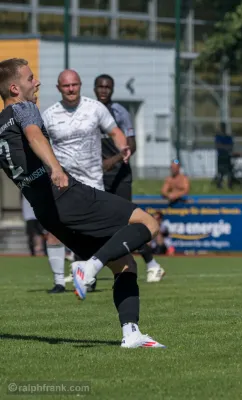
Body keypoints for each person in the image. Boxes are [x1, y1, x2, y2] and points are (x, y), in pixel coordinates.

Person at [0, 58, 165, 348]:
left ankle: (131, 333)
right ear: (14, 88)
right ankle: (88, 267)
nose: (36, 82)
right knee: (148, 223)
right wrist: (56, 167)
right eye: (30, 79)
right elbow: (34, 133)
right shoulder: (23, 108)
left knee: (125, 264)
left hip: (47, 212)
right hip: (67, 195)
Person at [41, 69, 129, 294]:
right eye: (66, 86)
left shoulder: (95, 108)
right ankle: (59, 282)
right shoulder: (49, 115)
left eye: (74, 85)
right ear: (59, 88)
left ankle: (92, 273)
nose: (71, 89)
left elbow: (115, 131)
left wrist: (123, 146)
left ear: (80, 85)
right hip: (64, 183)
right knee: (54, 228)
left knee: (99, 232)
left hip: (92, 181)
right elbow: (38, 143)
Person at [94, 74, 166, 283]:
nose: (104, 90)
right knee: (95, 221)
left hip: (120, 175)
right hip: (97, 176)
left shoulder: (120, 112)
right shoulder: (89, 111)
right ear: (95, 88)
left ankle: (152, 264)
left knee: (126, 222)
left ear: (113, 89)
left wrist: (112, 161)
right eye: (100, 86)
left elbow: (131, 145)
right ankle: (86, 268)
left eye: (108, 87)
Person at [214, 124, 235, 189]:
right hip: (221, 156)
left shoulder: (228, 137)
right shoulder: (218, 137)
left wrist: (223, 147)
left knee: (229, 171)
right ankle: (220, 184)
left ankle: (229, 184)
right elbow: (218, 146)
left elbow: (230, 146)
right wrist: (226, 147)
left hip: (226, 156)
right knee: (220, 171)